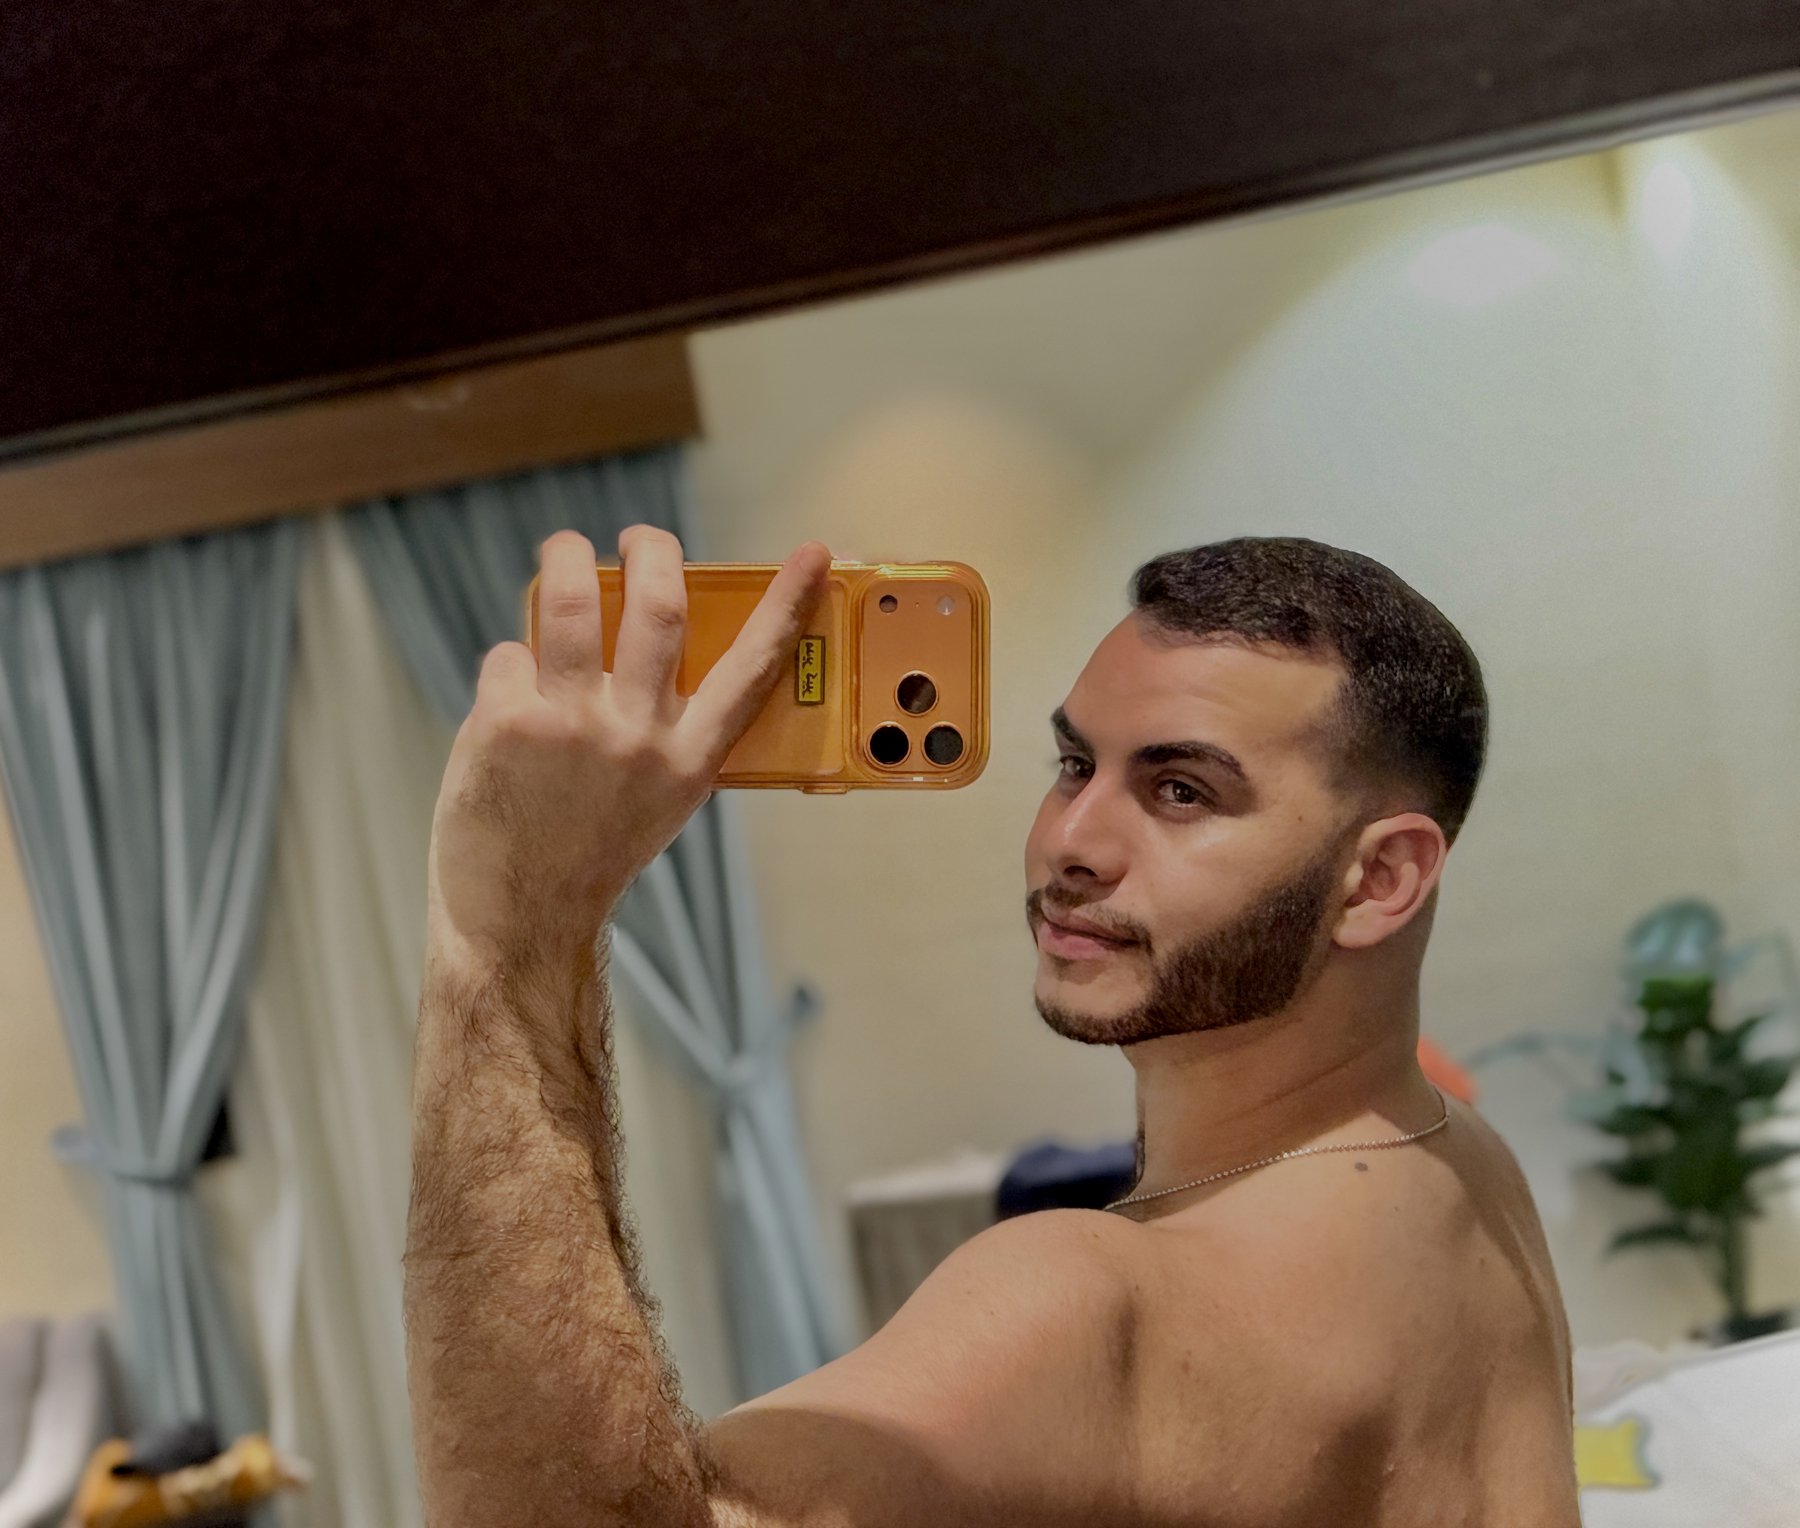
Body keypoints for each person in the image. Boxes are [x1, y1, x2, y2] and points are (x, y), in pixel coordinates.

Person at [403, 524, 1581, 1528]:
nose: (1071, 840)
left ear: (1380, 879)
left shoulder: (1083, 1302)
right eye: (1074, 763)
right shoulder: (1459, 1167)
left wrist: (510, 940)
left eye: (1181, 790)